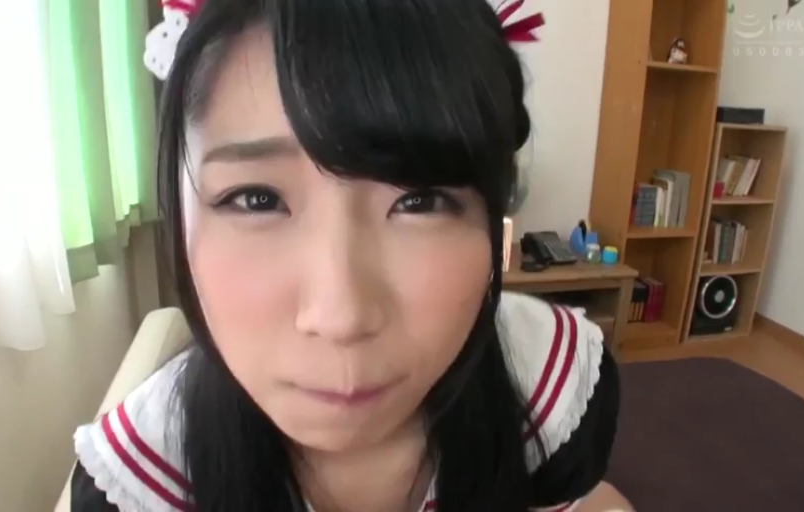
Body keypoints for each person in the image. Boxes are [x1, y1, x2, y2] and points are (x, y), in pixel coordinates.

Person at [70, 0, 632, 510]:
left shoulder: (552, 393)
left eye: (419, 201)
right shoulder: (135, 489)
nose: (340, 317)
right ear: (179, 210)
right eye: (257, 198)